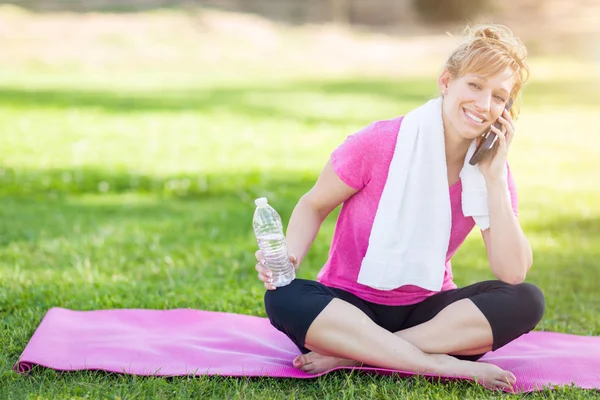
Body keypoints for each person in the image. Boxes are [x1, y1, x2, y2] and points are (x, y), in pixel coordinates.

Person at [254, 24, 545, 391]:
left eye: (499, 97)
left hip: (429, 315)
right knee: (283, 298)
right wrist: (291, 257)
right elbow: (313, 204)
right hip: (349, 307)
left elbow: (513, 272)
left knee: (527, 299)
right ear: (445, 82)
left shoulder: (490, 171)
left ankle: (359, 355)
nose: (484, 105)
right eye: (474, 85)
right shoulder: (378, 142)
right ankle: (438, 366)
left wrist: (495, 179)